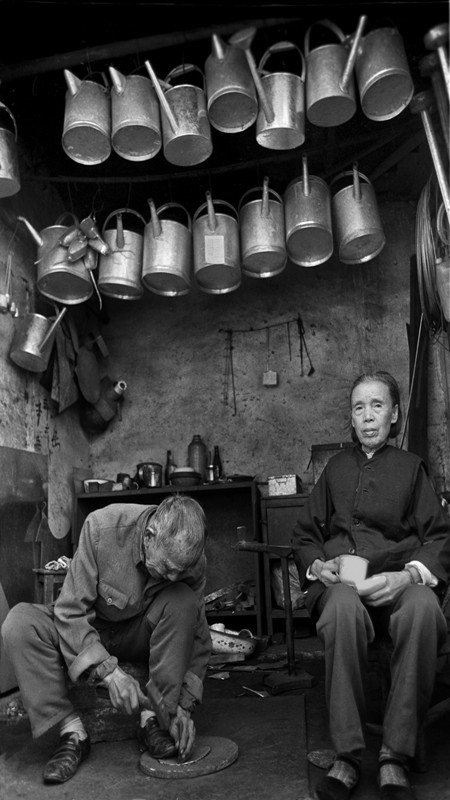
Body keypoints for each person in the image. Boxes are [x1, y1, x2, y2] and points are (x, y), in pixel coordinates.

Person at [292, 371, 450, 800]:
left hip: (397, 580)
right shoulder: (335, 469)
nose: (367, 416)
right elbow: (305, 533)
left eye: (377, 406)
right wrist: (317, 564)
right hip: (345, 583)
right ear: (351, 417)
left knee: (423, 609)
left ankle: (394, 755)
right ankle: (347, 754)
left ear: (394, 415)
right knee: (340, 609)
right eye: (358, 407)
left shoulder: (411, 469)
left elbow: (440, 537)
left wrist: (409, 576)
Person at [1, 494, 211, 784]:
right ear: (149, 535)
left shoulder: (190, 563)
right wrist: (110, 674)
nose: (173, 577)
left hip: (138, 636)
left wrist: (183, 707)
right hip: (88, 632)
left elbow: (197, 635)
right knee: (19, 623)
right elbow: (71, 611)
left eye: (180, 571)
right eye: (166, 568)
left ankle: (153, 718)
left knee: (183, 600)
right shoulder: (102, 527)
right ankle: (72, 732)